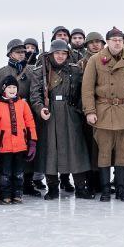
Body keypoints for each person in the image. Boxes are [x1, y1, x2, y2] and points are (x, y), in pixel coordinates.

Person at [81, 28, 124, 202]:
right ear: (107, 42)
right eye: (114, 39)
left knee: (123, 152)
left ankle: (121, 190)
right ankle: (106, 190)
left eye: (120, 39)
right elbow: (87, 89)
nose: (117, 42)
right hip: (104, 110)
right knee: (104, 152)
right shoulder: (95, 60)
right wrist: (90, 111)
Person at [29, 39, 93, 198]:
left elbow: (83, 90)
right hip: (49, 114)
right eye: (57, 53)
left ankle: (80, 187)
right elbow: (35, 95)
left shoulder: (75, 70)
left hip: (70, 113)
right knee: (50, 151)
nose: (60, 56)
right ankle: (52, 188)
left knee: (76, 150)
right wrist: (40, 109)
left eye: (63, 53)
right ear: (51, 54)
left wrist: (80, 108)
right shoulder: (40, 71)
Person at [0, 39, 42, 195]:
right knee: (6, 156)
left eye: (23, 52)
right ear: (10, 54)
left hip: (25, 115)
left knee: (25, 152)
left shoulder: (31, 71)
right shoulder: (1, 73)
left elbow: (35, 92)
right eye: (17, 52)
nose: (21, 55)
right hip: (5, 117)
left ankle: (27, 183)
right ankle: (6, 189)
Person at [0, 76, 37, 204]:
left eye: (14, 87)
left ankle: (17, 194)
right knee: (5, 173)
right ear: (4, 89)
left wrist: (32, 142)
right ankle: (5, 194)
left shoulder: (23, 103)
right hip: (4, 146)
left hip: (21, 146)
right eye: (9, 87)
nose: (12, 89)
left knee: (18, 173)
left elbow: (30, 123)